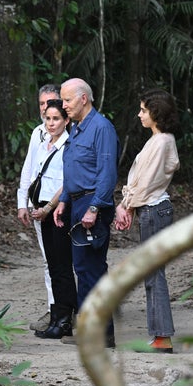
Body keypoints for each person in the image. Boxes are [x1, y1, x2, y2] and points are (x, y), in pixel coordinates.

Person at [53, 78, 120, 346]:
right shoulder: (78, 129)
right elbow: (74, 168)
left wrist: (94, 208)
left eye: (67, 100)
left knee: (91, 269)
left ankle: (102, 334)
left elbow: (107, 173)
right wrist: (64, 201)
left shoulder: (101, 128)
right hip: (78, 203)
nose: (63, 105)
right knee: (82, 268)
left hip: (94, 204)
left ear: (84, 99)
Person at [114, 88, 180, 353]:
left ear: (156, 113)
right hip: (152, 209)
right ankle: (159, 335)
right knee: (152, 273)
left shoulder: (162, 141)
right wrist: (129, 204)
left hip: (154, 210)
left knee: (153, 274)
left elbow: (147, 182)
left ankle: (163, 336)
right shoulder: (158, 140)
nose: (139, 114)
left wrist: (126, 205)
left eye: (143, 110)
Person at [30, 99, 78, 339]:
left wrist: (49, 207)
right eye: (47, 118)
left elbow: (67, 181)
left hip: (58, 210)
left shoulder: (69, 146)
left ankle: (65, 319)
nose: (50, 123)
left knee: (62, 267)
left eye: (56, 118)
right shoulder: (43, 144)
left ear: (66, 120)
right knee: (52, 265)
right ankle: (58, 318)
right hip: (43, 209)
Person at [16, 84, 61, 331]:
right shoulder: (38, 132)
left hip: (62, 205)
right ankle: (53, 308)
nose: (46, 108)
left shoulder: (70, 131)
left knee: (67, 261)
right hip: (38, 204)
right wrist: (22, 201)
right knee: (48, 260)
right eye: (42, 104)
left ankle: (69, 308)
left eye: (51, 102)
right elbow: (29, 169)